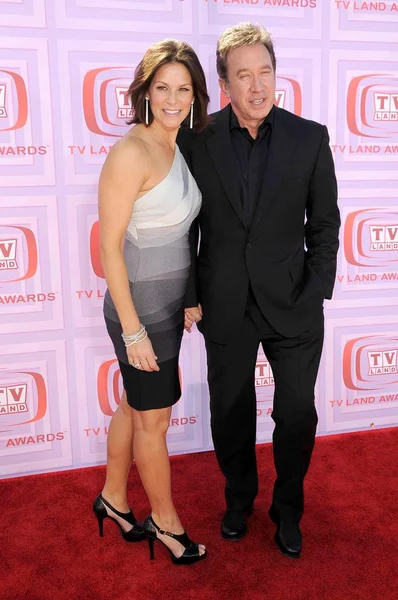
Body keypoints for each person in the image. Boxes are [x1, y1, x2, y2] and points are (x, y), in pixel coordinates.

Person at [182, 22, 340, 559]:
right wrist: (188, 293)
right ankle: (238, 499)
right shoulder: (196, 140)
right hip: (224, 301)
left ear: (277, 74)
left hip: (293, 302)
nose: (257, 86)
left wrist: (316, 288)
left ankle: (288, 508)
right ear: (224, 84)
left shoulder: (309, 137)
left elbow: (324, 224)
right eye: (243, 75)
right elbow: (185, 226)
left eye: (265, 72)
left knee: (296, 413)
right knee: (229, 411)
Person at [93, 39, 209, 565]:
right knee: (153, 423)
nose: (173, 98)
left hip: (165, 309)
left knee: (135, 407)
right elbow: (110, 250)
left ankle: (114, 500)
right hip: (136, 311)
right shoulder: (130, 152)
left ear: (195, 95)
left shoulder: (178, 143)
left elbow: (183, 233)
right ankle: (165, 524)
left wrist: (186, 297)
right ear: (145, 90)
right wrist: (135, 332)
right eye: (163, 87)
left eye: (183, 89)